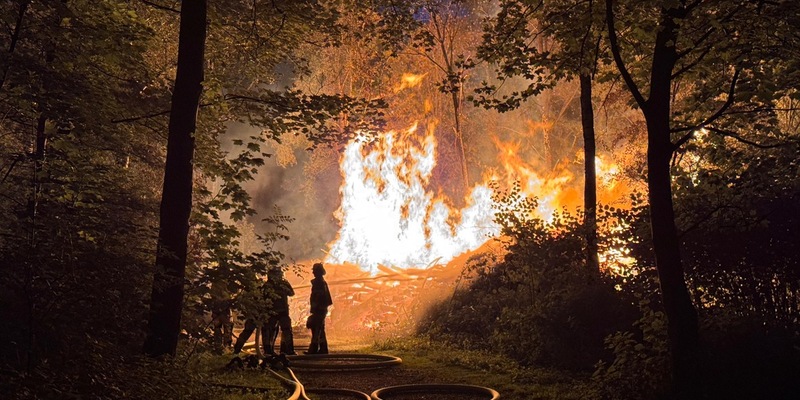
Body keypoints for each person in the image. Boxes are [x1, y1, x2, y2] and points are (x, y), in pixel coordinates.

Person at [264, 267, 296, 355]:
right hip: (273, 312)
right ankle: (269, 350)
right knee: (271, 331)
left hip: (280, 311)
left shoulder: (282, 284)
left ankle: (287, 350)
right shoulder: (268, 285)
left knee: (285, 330)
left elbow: (291, 293)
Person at [305, 262, 333, 354]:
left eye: (314, 271)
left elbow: (318, 297)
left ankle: (313, 349)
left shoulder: (319, 282)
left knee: (316, 328)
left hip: (319, 309)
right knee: (320, 328)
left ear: (317, 272)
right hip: (321, 309)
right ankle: (323, 348)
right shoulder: (321, 281)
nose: (313, 273)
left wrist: (315, 308)